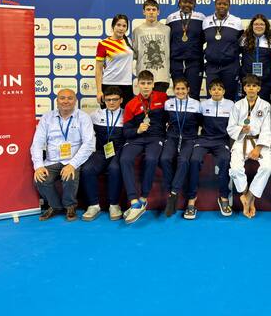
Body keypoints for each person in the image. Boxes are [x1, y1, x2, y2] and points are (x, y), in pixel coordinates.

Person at [30, 89, 95, 222]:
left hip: (73, 159)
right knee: (40, 179)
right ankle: (55, 206)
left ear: (75, 101)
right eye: (62, 98)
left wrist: (72, 165)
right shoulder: (47, 118)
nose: (66, 101)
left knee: (69, 175)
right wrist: (39, 166)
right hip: (52, 161)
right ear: (57, 101)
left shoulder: (83, 117)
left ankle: (70, 206)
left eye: (70, 98)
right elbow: (37, 143)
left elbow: (89, 144)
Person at [119, 70, 168, 224]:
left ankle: (143, 198)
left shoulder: (163, 98)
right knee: (125, 159)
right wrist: (137, 130)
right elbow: (126, 132)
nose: (146, 86)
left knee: (152, 159)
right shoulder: (131, 104)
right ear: (138, 85)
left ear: (153, 84)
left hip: (156, 138)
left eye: (148, 83)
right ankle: (134, 202)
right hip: (137, 138)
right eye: (143, 83)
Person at [185, 78, 235, 219]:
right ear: (209, 91)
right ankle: (191, 200)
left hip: (221, 141)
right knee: (194, 160)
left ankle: (224, 197)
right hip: (204, 140)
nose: (216, 91)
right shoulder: (203, 105)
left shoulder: (231, 105)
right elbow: (198, 123)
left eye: (219, 89)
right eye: (213, 89)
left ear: (224, 91)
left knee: (225, 160)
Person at [227, 74, 271, 218]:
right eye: (248, 86)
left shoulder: (265, 105)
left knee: (267, 167)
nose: (251, 88)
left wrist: (258, 148)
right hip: (241, 141)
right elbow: (230, 128)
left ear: (259, 88)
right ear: (244, 88)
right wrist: (241, 129)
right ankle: (246, 194)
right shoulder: (237, 105)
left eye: (254, 86)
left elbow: (266, 129)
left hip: (259, 142)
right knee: (235, 168)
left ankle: (249, 197)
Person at [80, 86, 125, 221]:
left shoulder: (127, 115)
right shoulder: (95, 115)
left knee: (114, 168)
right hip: (101, 152)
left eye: (115, 99)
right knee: (87, 169)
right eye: (108, 99)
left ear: (121, 100)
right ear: (104, 100)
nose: (111, 102)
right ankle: (93, 205)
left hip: (119, 151)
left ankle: (114, 205)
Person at [160, 77, 201, 217]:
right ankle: (171, 190)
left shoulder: (196, 104)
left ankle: (173, 193)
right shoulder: (168, 104)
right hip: (172, 137)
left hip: (189, 138)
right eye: (177, 89)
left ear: (188, 90)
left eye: (183, 88)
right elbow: (164, 121)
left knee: (183, 161)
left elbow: (200, 122)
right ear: (173, 90)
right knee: (165, 159)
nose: (180, 91)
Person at [203, 0, 243, 101]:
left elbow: (240, 44)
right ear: (215, 5)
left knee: (229, 98)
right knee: (212, 98)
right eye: (219, 3)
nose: (222, 6)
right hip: (212, 67)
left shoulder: (237, 21)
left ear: (229, 5)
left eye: (225, 4)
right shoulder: (206, 21)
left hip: (230, 67)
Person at [166, 0, 206, 100]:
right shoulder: (171, 18)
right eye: (184, 2)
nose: (187, 4)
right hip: (176, 62)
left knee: (193, 94)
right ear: (179, 3)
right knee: (179, 93)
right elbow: (168, 39)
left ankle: (193, 112)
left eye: (190, 2)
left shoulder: (201, 18)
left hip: (195, 62)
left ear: (194, 4)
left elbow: (204, 38)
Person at [95, 14, 135, 106]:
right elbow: (98, 70)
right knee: (108, 113)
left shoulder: (128, 41)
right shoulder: (103, 44)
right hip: (109, 84)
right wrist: (99, 91)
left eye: (124, 26)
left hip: (127, 85)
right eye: (118, 25)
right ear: (113, 26)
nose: (121, 28)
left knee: (126, 114)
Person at [132, 0, 171, 92]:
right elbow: (135, 54)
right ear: (143, 12)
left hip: (162, 76)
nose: (151, 12)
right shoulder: (137, 31)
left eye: (154, 9)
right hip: (144, 77)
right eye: (148, 9)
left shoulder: (167, 30)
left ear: (158, 12)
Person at [240, 13, 271, 102]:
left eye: (262, 24)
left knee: (265, 107)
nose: (259, 26)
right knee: (247, 108)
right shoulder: (243, 40)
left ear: (266, 26)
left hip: (265, 82)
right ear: (252, 26)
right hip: (247, 82)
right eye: (256, 24)